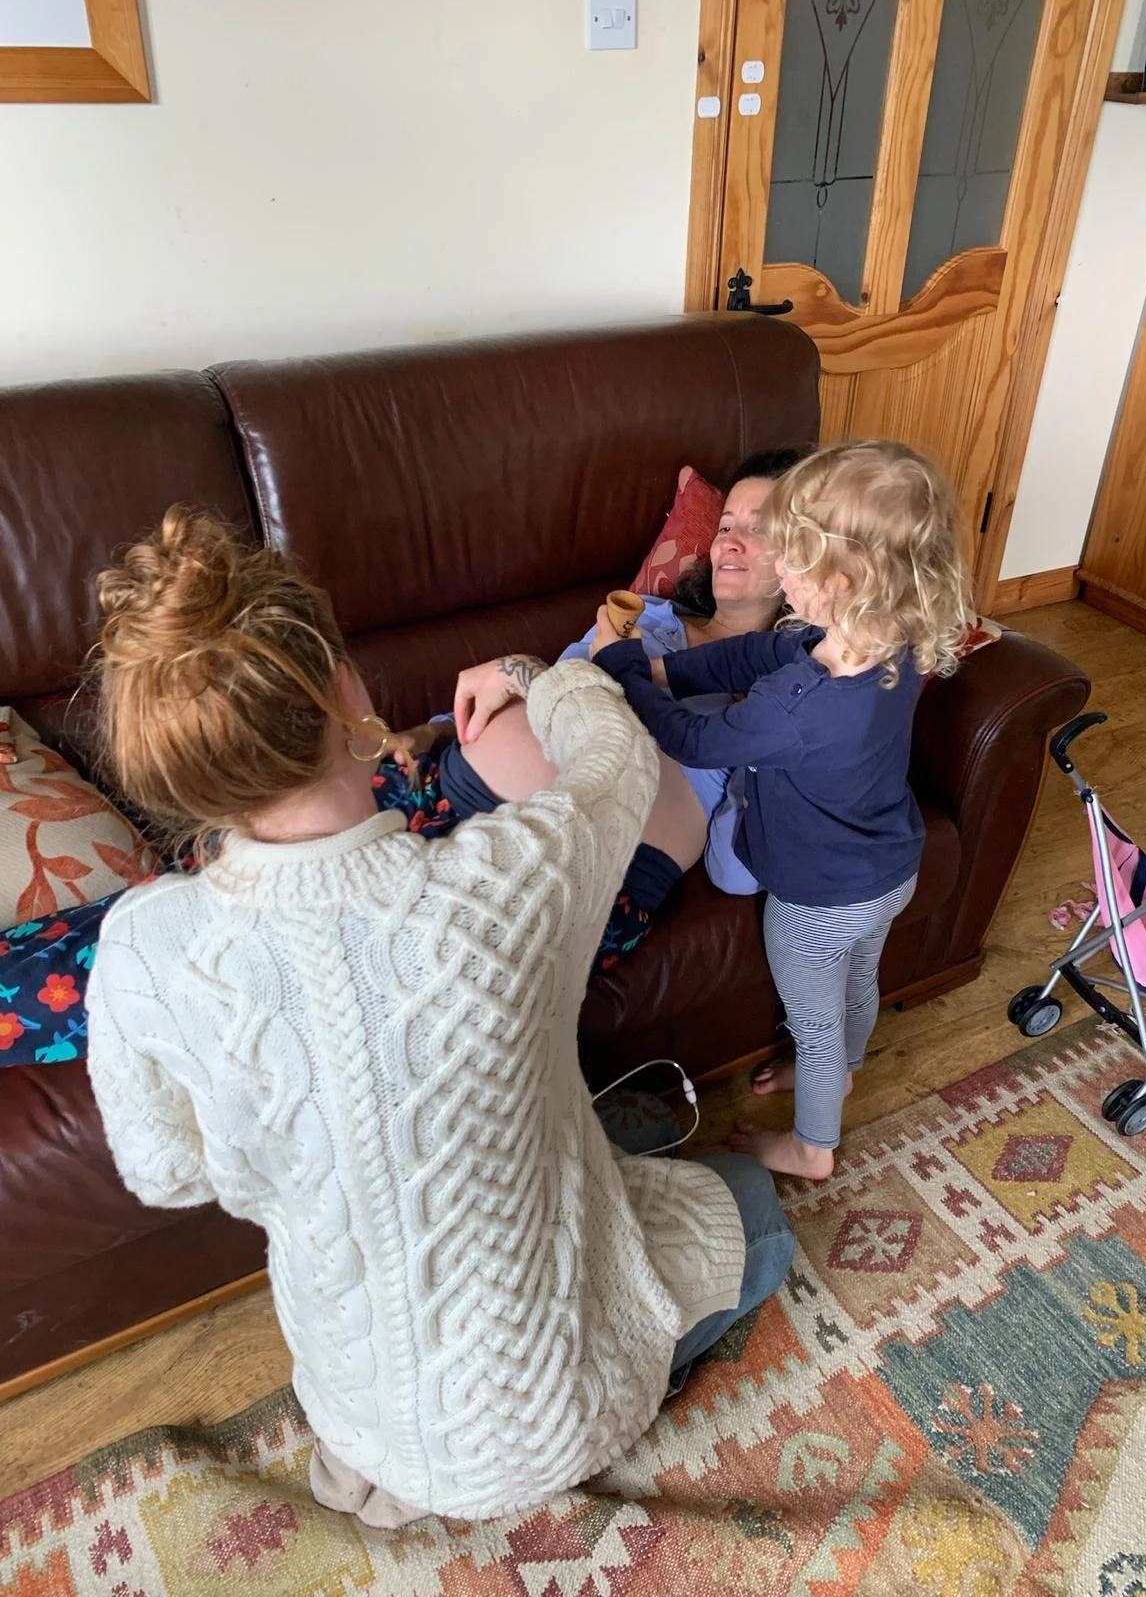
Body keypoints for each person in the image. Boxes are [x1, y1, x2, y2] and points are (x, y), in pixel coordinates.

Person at [83, 506, 794, 1527]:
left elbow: (165, 1171)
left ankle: (382, 1468)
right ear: (345, 690)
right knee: (757, 1217)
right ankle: (552, 1439)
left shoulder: (143, 947)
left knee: (584, 1161)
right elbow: (621, 764)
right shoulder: (506, 880)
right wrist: (528, 670)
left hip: (349, 1397)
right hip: (550, 1413)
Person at [588, 441, 972, 1182]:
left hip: (817, 898)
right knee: (858, 981)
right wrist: (665, 665)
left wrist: (626, 670)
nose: (780, 569)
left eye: (792, 555)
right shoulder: (886, 639)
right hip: (892, 865)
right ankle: (846, 1069)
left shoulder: (802, 710)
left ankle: (811, 1147)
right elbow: (751, 658)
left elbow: (691, 738)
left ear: (845, 578)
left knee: (816, 1020)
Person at [392, 450, 805, 959]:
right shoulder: (647, 616)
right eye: (724, 527)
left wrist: (766, 749)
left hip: (584, 884)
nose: (730, 543)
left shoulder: (784, 694)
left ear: (807, 557)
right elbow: (546, 687)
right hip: (451, 796)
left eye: (759, 530)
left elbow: (737, 874)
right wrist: (430, 734)